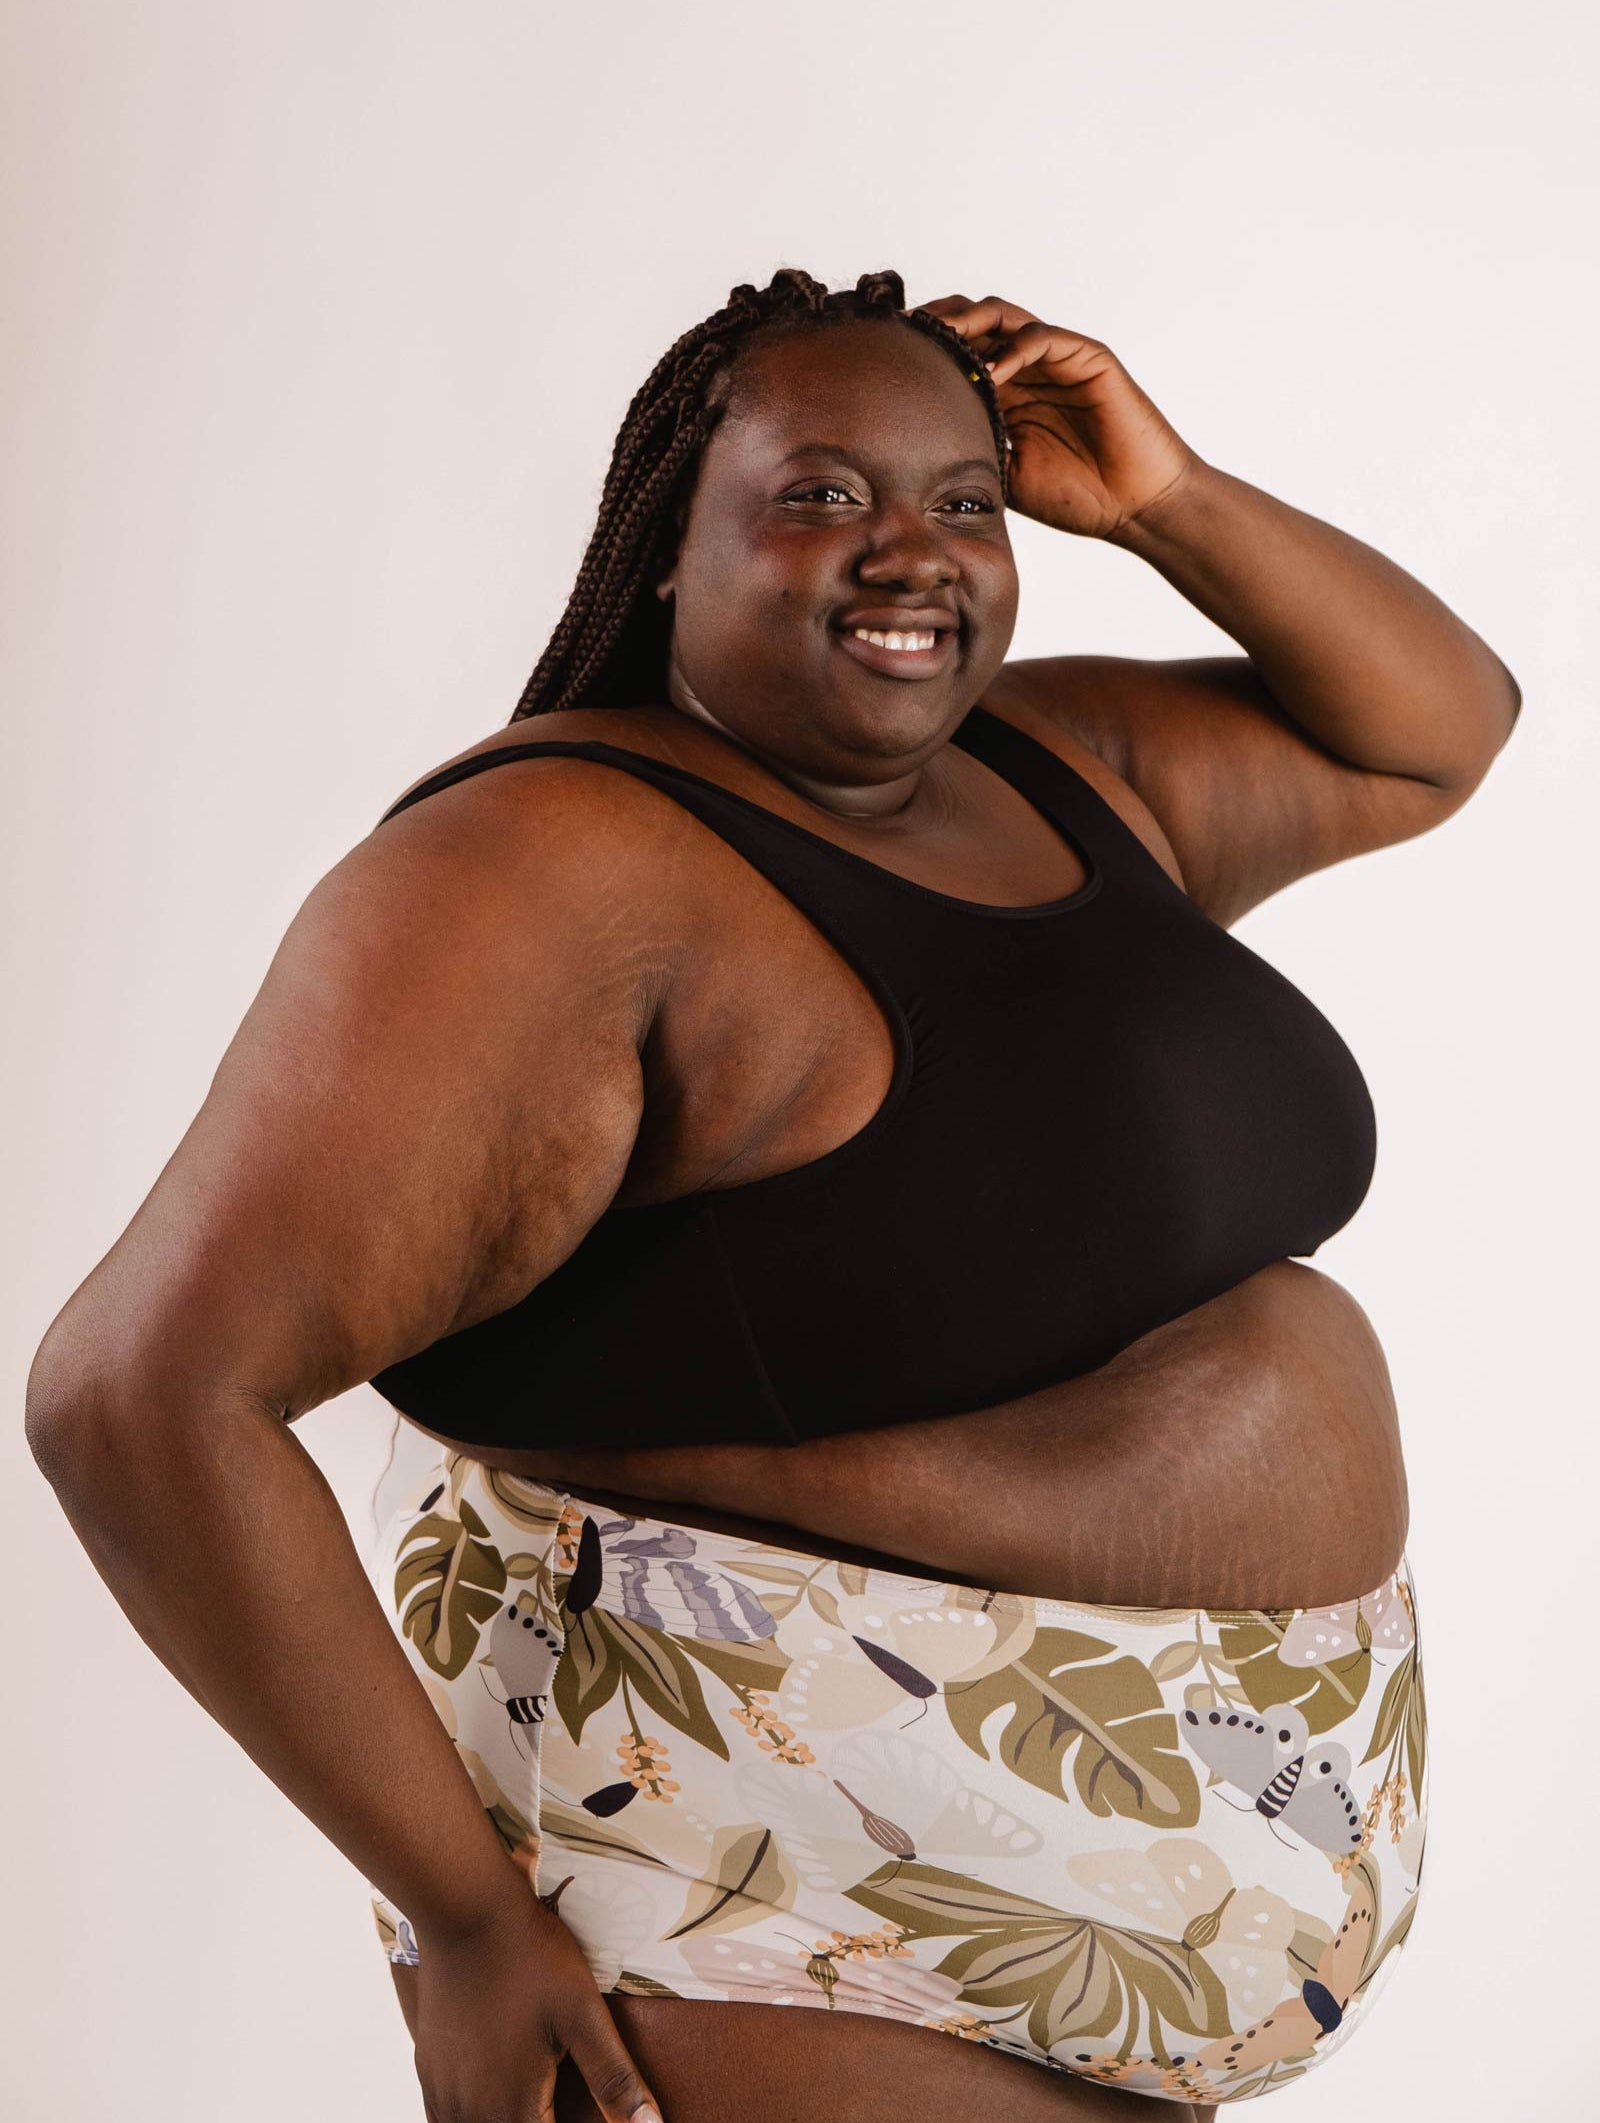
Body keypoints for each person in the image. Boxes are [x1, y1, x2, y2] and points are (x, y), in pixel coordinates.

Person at [25, 267, 1518, 2121]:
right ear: (669, 542)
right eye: (822, 494)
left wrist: (1167, 498)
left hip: (1119, 1871)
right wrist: (466, 1926)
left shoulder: (1060, 770)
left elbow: (1430, 730)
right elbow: (135, 1395)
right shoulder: (541, 870)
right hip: (757, 1886)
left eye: (963, 500)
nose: (913, 553)